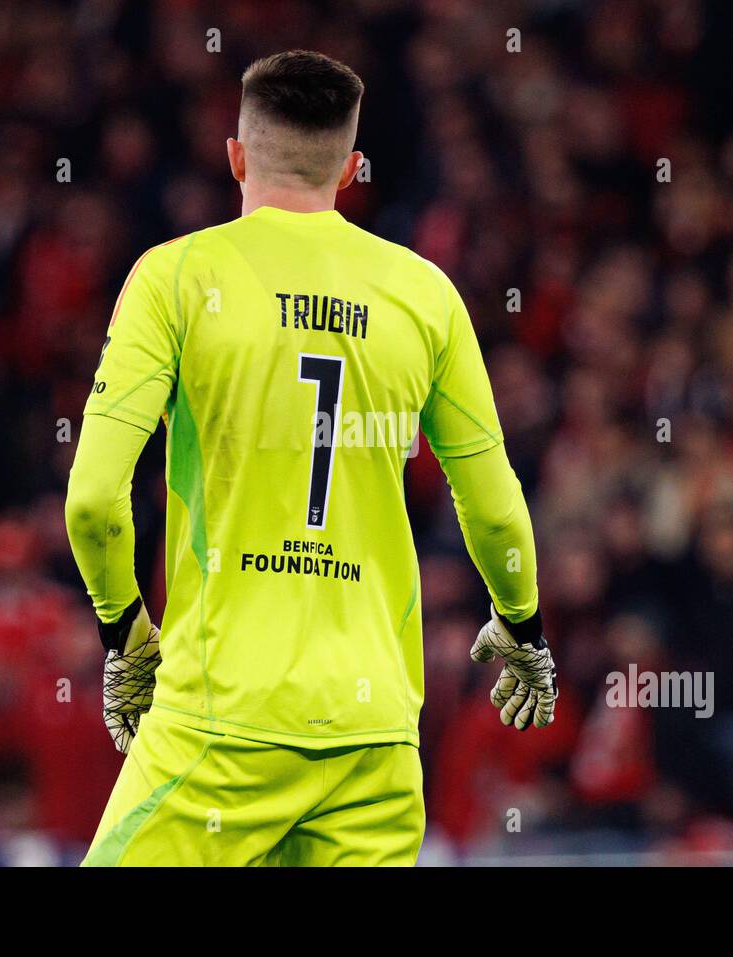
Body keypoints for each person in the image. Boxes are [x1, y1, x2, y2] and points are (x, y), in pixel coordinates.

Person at [65, 49, 555, 866]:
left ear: (236, 154)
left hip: (221, 721)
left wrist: (126, 636)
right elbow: (496, 506)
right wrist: (523, 624)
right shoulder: (425, 295)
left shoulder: (175, 277)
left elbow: (91, 501)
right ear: (353, 168)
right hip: (373, 738)